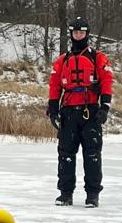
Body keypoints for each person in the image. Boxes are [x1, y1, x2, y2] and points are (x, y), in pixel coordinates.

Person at [46, 17, 113, 208]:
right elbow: (54, 84)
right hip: (68, 111)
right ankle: (65, 193)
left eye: (81, 33)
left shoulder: (97, 57)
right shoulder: (62, 60)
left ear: (86, 34)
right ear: (71, 34)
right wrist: (53, 108)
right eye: (75, 33)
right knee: (65, 154)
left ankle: (92, 194)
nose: (78, 35)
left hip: (89, 110)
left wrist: (104, 106)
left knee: (92, 154)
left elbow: (107, 80)